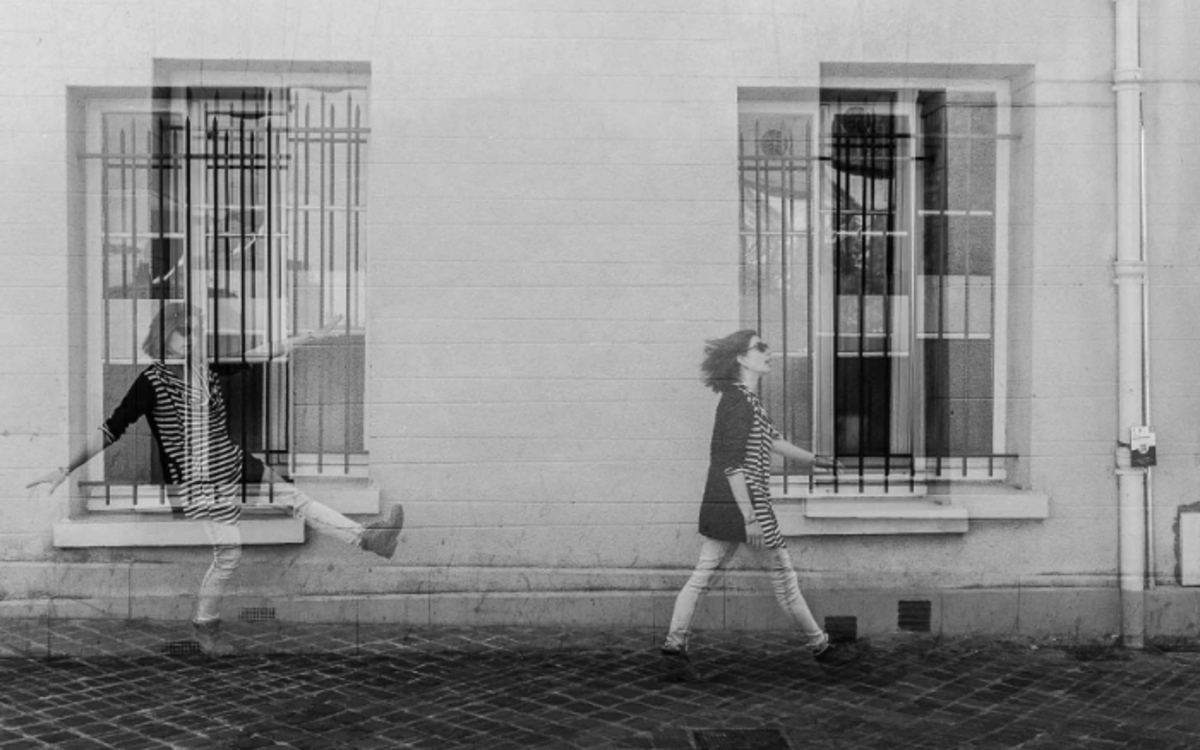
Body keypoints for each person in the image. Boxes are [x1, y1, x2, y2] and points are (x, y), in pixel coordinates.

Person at [28, 302, 405, 656]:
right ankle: (205, 628)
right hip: (199, 480)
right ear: (165, 334)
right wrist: (64, 470)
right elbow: (112, 428)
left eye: (197, 331)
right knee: (229, 555)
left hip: (233, 461)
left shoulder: (204, 367)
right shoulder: (150, 382)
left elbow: (260, 352)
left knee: (296, 500)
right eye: (184, 332)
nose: (192, 339)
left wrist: (311, 335)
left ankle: (369, 539)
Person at [660, 329, 859, 680]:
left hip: (736, 507)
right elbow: (732, 464)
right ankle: (821, 647)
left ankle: (674, 650)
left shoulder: (747, 400)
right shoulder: (737, 403)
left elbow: (773, 441)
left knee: (704, 577)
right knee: (782, 580)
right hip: (747, 507)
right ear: (741, 358)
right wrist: (750, 519)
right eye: (760, 347)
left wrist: (814, 460)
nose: (768, 352)